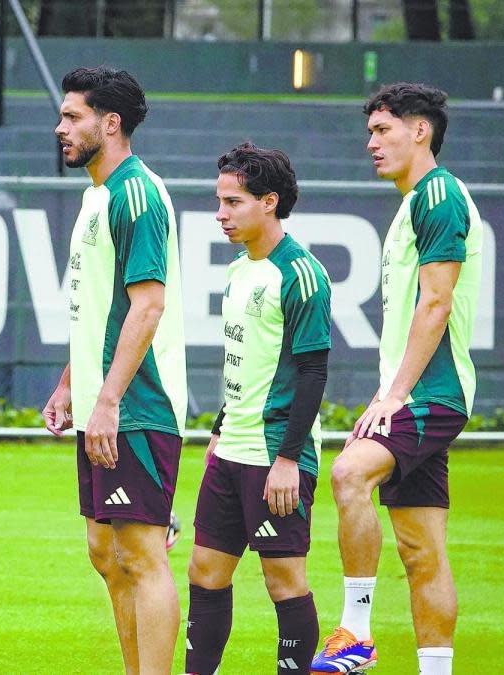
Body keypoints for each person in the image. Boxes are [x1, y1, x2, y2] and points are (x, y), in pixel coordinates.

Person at [311, 83, 482, 675]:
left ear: (420, 131)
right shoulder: (414, 203)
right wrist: (392, 389)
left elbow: (436, 303)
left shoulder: (438, 194)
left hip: (432, 393)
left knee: (348, 473)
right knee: (420, 550)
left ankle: (356, 634)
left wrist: (396, 393)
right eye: (370, 132)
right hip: (419, 392)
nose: (372, 143)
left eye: (383, 130)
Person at [41, 65, 187, 674]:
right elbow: (100, 308)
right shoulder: (98, 196)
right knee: (105, 551)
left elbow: (147, 305)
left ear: (110, 123)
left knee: (141, 555)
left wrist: (108, 401)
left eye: (72, 116)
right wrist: (70, 384)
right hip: (106, 399)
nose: (60, 128)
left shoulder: (136, 194)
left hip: (138, 405)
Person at [184, 142, 332, 675]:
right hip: (232, 450)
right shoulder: (238, 271)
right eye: (219, 201)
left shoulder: (301, 274)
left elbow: (313, 372)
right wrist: (220, 429)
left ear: (269, 202)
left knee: (283, 581)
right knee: (205, 571)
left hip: (275, 456)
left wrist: (289, 460)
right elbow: (244, 364)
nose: (220, 214)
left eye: (233, 202)